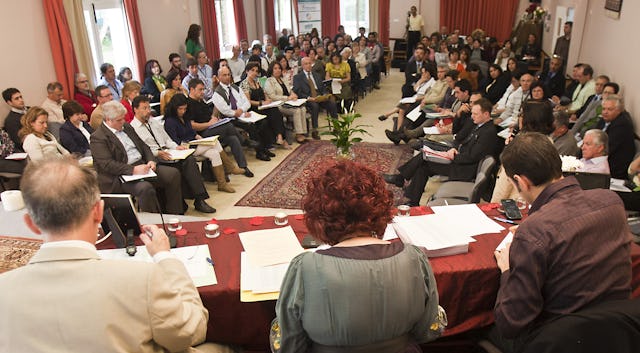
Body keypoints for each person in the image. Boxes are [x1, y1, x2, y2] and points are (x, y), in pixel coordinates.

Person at [0, 158, 235, 353]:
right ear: (99, 211)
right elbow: (190, 331)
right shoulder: (143, 278)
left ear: (30, 224)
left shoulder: (4, 288)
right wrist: (166, 259)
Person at [272, 160, 446, 352]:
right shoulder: (414, 257)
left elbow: (288, 346)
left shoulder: (305, 267)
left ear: (318, 217)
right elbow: (428, 331)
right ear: (380, 209)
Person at [491, 132, 631, 353]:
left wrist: (507, 269)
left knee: (481, 327)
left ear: (521, 182)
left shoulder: (535, 230)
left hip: (558, 340)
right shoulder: (612, 202)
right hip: (616, 332)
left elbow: (511, 322)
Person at [384, 98, 498, 206]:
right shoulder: (480, 125)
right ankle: (411, 198)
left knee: (425, 162)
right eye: (472, 113)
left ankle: (404, 185)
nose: (472, 116)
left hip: (465, 169)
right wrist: (454, 150)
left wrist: (453, 156)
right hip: (460, 159)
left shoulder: (488, 132)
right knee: (424, 162)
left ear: (486, 114)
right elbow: (462, 138)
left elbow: (472, 157)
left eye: (475, 114)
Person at [90, 100, 184, 215]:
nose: (123, 122)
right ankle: (153, 222)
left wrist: (151, 160)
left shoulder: (126, 127)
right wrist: (133, 170)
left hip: (142, 165)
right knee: (145, 188)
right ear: (108, 120)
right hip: (121, 174)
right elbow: (107, 164)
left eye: (123, 118)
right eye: (119, 120)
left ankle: (174, 214)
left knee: (173, 174)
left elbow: (143, 146)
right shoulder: (98, 137)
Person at [129, 95, 216, 213]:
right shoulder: (132, 128)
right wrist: (158, 153)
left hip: (169, 152)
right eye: (144, 108)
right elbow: (142, 150)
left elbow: (167, 139)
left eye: (149, 108)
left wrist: (176, 147)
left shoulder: (153, 122)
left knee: (189, 160)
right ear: (135, 109)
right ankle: (183, 203)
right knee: (177, 168)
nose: (148, 111)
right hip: (155, 158)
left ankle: (199, 199)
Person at [164, 94, 243, 193]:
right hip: (184, 148)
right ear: (174, 108)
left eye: (184, 109)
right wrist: (199, 141)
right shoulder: (170, 121)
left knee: (214, 153)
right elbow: (175, 141)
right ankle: (230, 167)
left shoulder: (185, 117)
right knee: (215, 143)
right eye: (180, 109)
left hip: (194, 143)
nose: (182, 111)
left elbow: (193, 133)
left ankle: (222, 184)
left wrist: (200, 139)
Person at [184, 78, 254, 178]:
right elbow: (192, 126)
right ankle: (244, 141)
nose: (202, 92)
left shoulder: (201, 101)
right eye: (200, 89)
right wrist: (209, 124)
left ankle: (243, 166)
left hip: (212, 128)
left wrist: (214, 118)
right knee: (229, 125)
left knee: (233, 139)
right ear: (191, 89)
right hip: (201, 134)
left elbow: (210, 115)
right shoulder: (188, 104)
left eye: (203, 89)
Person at [293, 57, 338, 140]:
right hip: (308, 99)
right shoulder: (297, 77)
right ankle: (315, 130)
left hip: (319, 96)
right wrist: (308, 98)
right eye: (306, 64)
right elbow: (298, 92)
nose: (308, 65)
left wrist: (325, 94)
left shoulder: (316, 75)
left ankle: (336, 126)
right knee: (314, 106)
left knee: (332, 103)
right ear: (302, 65)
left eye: (310, 63)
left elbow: (322, 87)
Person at [264, 61, 308, 144]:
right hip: (279, 105)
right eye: (275, 69)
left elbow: (290, 90)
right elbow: (273, 96)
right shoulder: (269, 81)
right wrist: (287, 98)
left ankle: (303, 132)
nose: (278, 70)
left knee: (303, 108)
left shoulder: (283, 79)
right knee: (297, 111)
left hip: (290, 102)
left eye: (279, 68)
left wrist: (293, 95)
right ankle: (298, 135)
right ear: (271, 70)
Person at [595, 94, 635, 179]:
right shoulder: (604, 119)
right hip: (601, 161)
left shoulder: (622, 125)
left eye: (609, 109)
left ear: (619, 110)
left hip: (614, 169)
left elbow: (606, 149)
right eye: (604, 109)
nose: (605, 112)